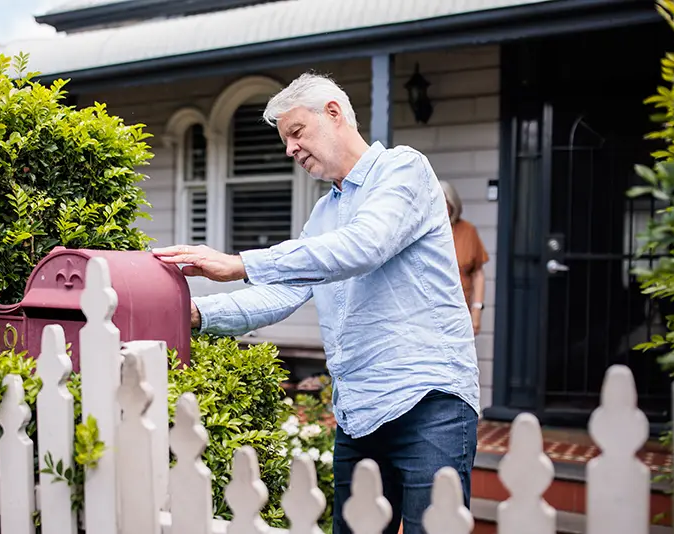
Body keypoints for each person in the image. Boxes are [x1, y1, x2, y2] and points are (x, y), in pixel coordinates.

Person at [153, 72, 479, 534]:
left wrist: (238, 262)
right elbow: (284, 291)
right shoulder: (324, 213)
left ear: (334, 112)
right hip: (358, 415)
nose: (289, 149)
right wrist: (198, 315)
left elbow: (365, 246)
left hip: (429, 403)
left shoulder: (403, 169)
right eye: (285, 139)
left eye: (296, 132)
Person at [439, 180, 489, 335]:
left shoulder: (467, 231)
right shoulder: (419, 232)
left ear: (452, 204)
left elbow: (478, 273)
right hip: (428, 314)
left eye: (443, 201)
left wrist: (476, 311)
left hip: (460, 312)